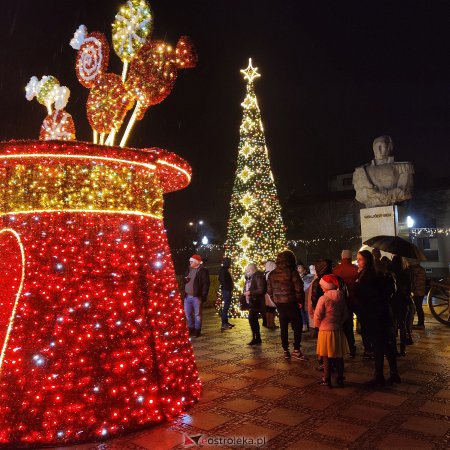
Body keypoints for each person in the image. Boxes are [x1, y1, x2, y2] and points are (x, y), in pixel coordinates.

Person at [355, 250, 400, 386]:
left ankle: (379, 376)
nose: (358, 262)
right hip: (382, 313)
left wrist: (358, 283)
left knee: (379, 345)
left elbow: (365, 295)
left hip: (375, 314)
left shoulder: (369, 276)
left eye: (360, 259)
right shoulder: (377, 274)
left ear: (367, 260)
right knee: (386, 344)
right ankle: (393, 374)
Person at [267, 250, 307, 360]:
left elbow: (269, 291)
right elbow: (299, 288)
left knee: (283, 326)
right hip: (292, 302)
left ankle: (285, 351)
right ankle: (296, 350)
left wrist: (276, 300)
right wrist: (299, 301)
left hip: (280, 304)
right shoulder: (292, 272)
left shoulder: (272, 274)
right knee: (297, 325)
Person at [314, 274, 349, 387]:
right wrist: (339, 323)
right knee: (339, 356)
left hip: (325, 331)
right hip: (337, 331)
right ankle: (340, 378)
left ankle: (327, 379)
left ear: (326, 286)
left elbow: (317, 315)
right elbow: (345, 314)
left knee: (326, 357)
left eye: (322, 286)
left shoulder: (323, 298)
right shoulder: (341, 297)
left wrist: (318, 326)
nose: (321, 288)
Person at [333, 250, 359, 358]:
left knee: (345, 325)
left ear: (341, 257)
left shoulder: (335, 270)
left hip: (341, 301)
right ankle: (357, 347)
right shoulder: (356, 269)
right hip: (356, 300)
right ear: (350, 257)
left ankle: (345, 348)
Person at [389, 255, 413, 356]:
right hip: (403, 301)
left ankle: (393, 349)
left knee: (393, 325)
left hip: (393, 301)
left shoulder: (391, 274)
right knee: (402, 324)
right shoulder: (406, 273)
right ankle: (403, 349)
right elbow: (409, 289)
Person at [183, 254, 210, 338]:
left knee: (197, 314)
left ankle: (197, 330)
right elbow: (184, 280)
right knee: (188, 314)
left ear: (196, 262)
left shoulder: (202, 271)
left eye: (191, 261)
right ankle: (191, 329)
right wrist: (185, 279)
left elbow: (206, 284)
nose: (189, 262)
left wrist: (203, 296)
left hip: (197, 296)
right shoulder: (189, 269)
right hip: (187, 296)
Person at [244, 263, 266, 345]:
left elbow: (261, 290)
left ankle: (256, 338)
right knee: (253, 320)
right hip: (252, 301)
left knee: (252, 320)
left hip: (256, 302)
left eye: (248, 269)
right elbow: (247, 286)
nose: (247, 271)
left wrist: (250, 292)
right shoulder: (250, 277)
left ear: (252, 269)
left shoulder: (258, 276)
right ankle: (256, 337)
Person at [219, 257, 235, 331]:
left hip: (227, 290)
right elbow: (223, 281)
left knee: (227, 306)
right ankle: (223, 324)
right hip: (226, 291)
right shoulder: (223, 271)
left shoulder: (225, 270)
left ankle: (226, 322)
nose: (230, 264)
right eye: (229, 262)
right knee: (226, 307)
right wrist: (229, 289)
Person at [410, 259, 427, 330]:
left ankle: (421, 324)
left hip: (417, 291)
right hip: (421, 291)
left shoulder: (415, 270)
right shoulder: (422, 269)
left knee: (418, 307)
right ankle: (421, 323)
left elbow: (413, 281)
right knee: (419, 307)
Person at [297, 264, 313, 331]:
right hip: (300, 296)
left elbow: (306, 287)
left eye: (300, 268)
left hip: (306, 295)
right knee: (302, 311)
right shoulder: (297, 277)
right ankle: (304, 325)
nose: (298, 269)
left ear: (305, 270)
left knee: (306, 310)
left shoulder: (308, 277)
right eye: (298, 268)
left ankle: (309, 325)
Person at [264, 260, 278, 329]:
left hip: (266, 294)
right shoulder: (270, 274)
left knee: (269, 309)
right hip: (270, 294)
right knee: (271, 309)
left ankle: (270, 323)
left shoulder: (265, 273)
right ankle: (271, 323)